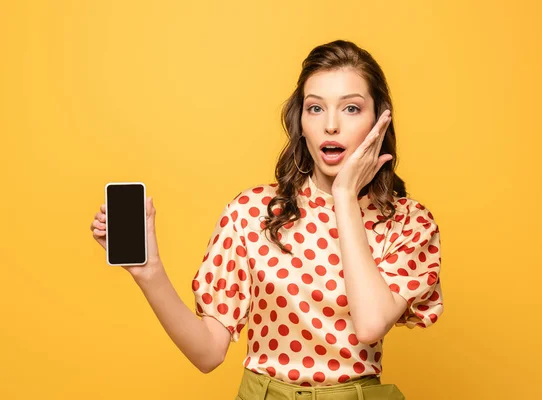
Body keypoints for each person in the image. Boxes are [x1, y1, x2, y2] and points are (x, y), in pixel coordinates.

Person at [91, 39, 443, 400]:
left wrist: (344, 197)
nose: (331, 125)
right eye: (315, 108)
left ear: (379, 121)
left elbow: (370, 324)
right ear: (301, 122)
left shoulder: (409, 223)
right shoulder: (252, 211)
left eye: (351, 108)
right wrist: (149, 271)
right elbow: (208, 353)